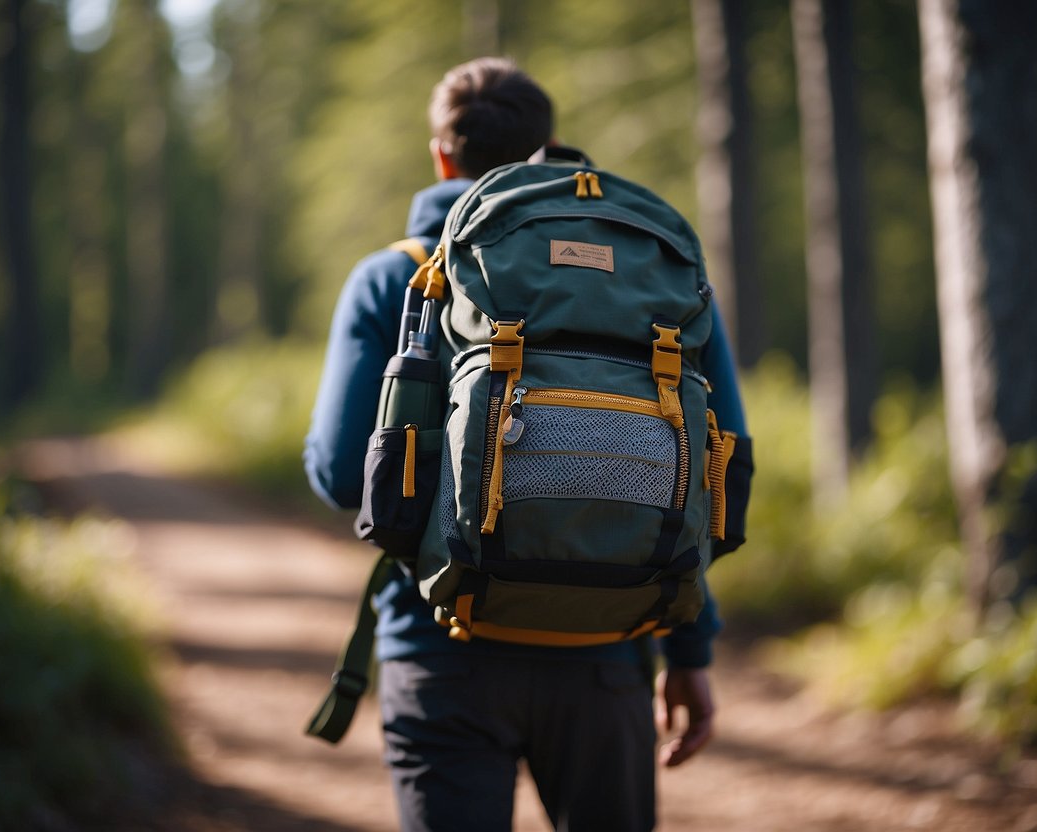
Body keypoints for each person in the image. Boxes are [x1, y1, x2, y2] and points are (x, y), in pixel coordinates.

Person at [305, 57, 749, 832]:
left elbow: (345, 475)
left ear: (441, 155)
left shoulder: (395, 278)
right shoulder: (650, 279)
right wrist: (689, 654)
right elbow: (714, 468)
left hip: (440, 643)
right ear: (548, 148)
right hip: (608, 648)